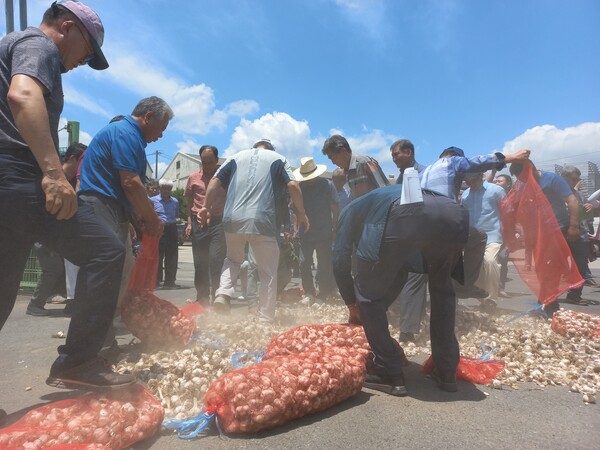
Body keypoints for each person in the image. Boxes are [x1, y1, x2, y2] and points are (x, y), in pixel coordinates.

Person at [0, 1, 159, 390]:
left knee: (3, 286)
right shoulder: (39, 46)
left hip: (7, 183)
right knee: (106, 251)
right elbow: (23, 96)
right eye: (87, 52)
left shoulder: (14, 42)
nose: (83, 61)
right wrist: (54, 174)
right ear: (67, 27)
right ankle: (79, 361)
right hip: (20, 176)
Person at [333, 184, 469, 395]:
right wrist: (383, 305)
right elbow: (400, 268)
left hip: (405, 213)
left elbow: (340, 259)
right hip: (453, 213)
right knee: (442, 291)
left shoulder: (349, 211)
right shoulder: (378, 200)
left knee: (366, 295)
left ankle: (388, 371)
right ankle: (446, 370)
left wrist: (353, 303)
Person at [198, 138, 309, 322]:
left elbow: (215, 180)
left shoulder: (235, 157)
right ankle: (265, 318)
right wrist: (302, 212)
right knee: (267, 272)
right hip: (262, 221)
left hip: (232, 219)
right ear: (271, 149)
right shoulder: (278, 158)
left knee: (232, 260)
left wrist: (205, 206)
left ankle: (223, 293)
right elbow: (292, 185)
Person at [422, 147, 530, 299]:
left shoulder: (425, 171)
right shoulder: (452, 162)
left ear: (480, 177)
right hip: (446, 220)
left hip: (425, 223)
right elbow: (478, 161)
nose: (466, 180)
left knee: (460, 260)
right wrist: (511, 157)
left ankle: (480, 295)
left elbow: (508, 213)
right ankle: (464, 287)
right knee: (478, 238)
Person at [509, 161, 585, 312]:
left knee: (553, 268)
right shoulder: (524, 184)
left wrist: (574, 226)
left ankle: (550, 305)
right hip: (539, 234)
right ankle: (546, 301)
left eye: (523, 176)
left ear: (532, 170)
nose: (522, 180)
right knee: (542, 269)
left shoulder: (552, 179)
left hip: (558, 230)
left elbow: (572, 201)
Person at [26, 142, 86, 316]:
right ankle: (35, 305)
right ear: (73, 159)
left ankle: (67, 300)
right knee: (53, 269)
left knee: (67, 266)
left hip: (59, 234)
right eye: (82, 161)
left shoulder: (73, 180)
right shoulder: (52, 178)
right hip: (44, 234)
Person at [387, 139, 428, 342]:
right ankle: (410, 322)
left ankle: (408, 331)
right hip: (406, 233)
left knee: (415, 276)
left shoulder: (421, 174)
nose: (394, 159)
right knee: (411, 276)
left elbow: (414, 206)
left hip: (420, 232)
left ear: (409, 152)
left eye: (397, 155)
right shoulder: (401, 177)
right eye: (393, 156)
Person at [185, 145, 226, 305]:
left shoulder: (225, 178)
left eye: (210, 162)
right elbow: (189, 202)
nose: (207, 166)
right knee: (200, 262)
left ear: (217, 160)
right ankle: (202, 298)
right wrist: (189, 222)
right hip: (198, 223)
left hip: (218, 223)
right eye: (204, 162)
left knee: (217, 259)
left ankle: (218, 296)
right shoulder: (193, 178)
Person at [294, 157, 339, 305]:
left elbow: (335, 208)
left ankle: (323, 294)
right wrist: (295, 229)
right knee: (304, 263)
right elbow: (296, 211)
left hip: (324, 231)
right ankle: (309, 293)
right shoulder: (300, 187)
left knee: (324, 264)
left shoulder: (328, 185)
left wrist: (334, 228)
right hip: (305, 233)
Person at [461, 172, 507, 306]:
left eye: (474, 181)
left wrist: (507, 234)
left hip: (493, 234)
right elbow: (465, 215)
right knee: (477, 267)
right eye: (469, 183)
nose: (472, 185)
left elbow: (507, 212)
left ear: (481, 176)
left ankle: (492, 299)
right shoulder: (465, 194)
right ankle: (482, 298)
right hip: (473, 238)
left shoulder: (496, 191)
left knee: (490, 261)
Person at [321, 134, 389, 200]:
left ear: (343, 151)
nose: (333, 162)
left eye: (333, 158)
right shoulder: (347, 172)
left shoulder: (364, 163)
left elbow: (385, 191)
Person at [152, 179, 180, 288]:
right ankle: (156, 281)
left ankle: (170, 281)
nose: (166, 191)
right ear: (160, 189)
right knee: (158, 255)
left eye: (169, 189)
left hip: (172, 228)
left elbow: (176, 215)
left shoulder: (175, 201)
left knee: (172, 256)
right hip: (159, 229)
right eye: (164, 188)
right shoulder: (153, 201)